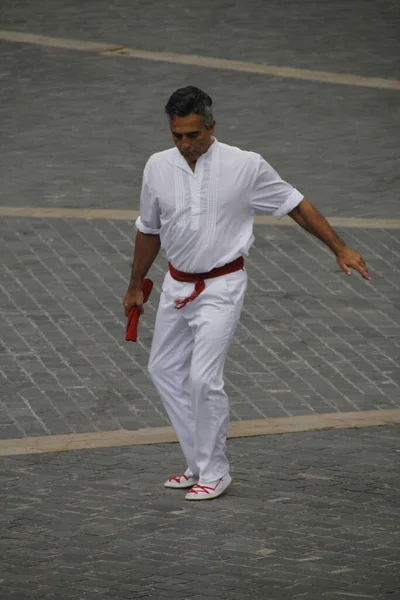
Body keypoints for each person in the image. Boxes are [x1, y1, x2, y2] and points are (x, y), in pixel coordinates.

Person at [123, 86, 370, 501]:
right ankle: (197, 463)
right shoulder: (156, 167)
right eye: (177, 136)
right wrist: (134, 286)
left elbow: (296, 204)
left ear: (212, 126)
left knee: (203, 378)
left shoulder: (245, 165)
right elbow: (148, 229)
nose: (185, 145)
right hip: (175, 284)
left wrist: (340, 247)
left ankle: (216, 471)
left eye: (193, 135)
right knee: (164, 370)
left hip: (222, 286)